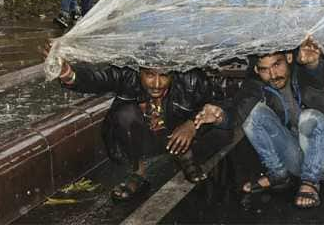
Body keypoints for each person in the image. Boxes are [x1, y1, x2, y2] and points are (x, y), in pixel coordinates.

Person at [52, 55, 233, 202]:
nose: (156, 84)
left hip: (179, 131)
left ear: (173, 73)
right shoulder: (127, 74)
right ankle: (137, 174)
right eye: (149, 75)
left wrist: (193, 123)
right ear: (139, 72)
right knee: (124, 115)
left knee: (215, 119)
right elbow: (99, 79)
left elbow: (221, 103)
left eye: (163, 75)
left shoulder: (192, 78)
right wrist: (69, 74)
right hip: (144, 137)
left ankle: (185, 156)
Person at [194, 37, 324, 209]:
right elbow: (238, 111)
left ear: (289, 58)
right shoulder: (255, 85)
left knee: (308, 117)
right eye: (264, 69)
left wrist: (312, 65)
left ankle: (310, 181)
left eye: (277, 65)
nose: (273, 75)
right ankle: (279, 174)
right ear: (256, 69)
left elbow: (317, 78)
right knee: (252, 113)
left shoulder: (302, 73)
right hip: (296, 159)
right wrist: (221, 117)